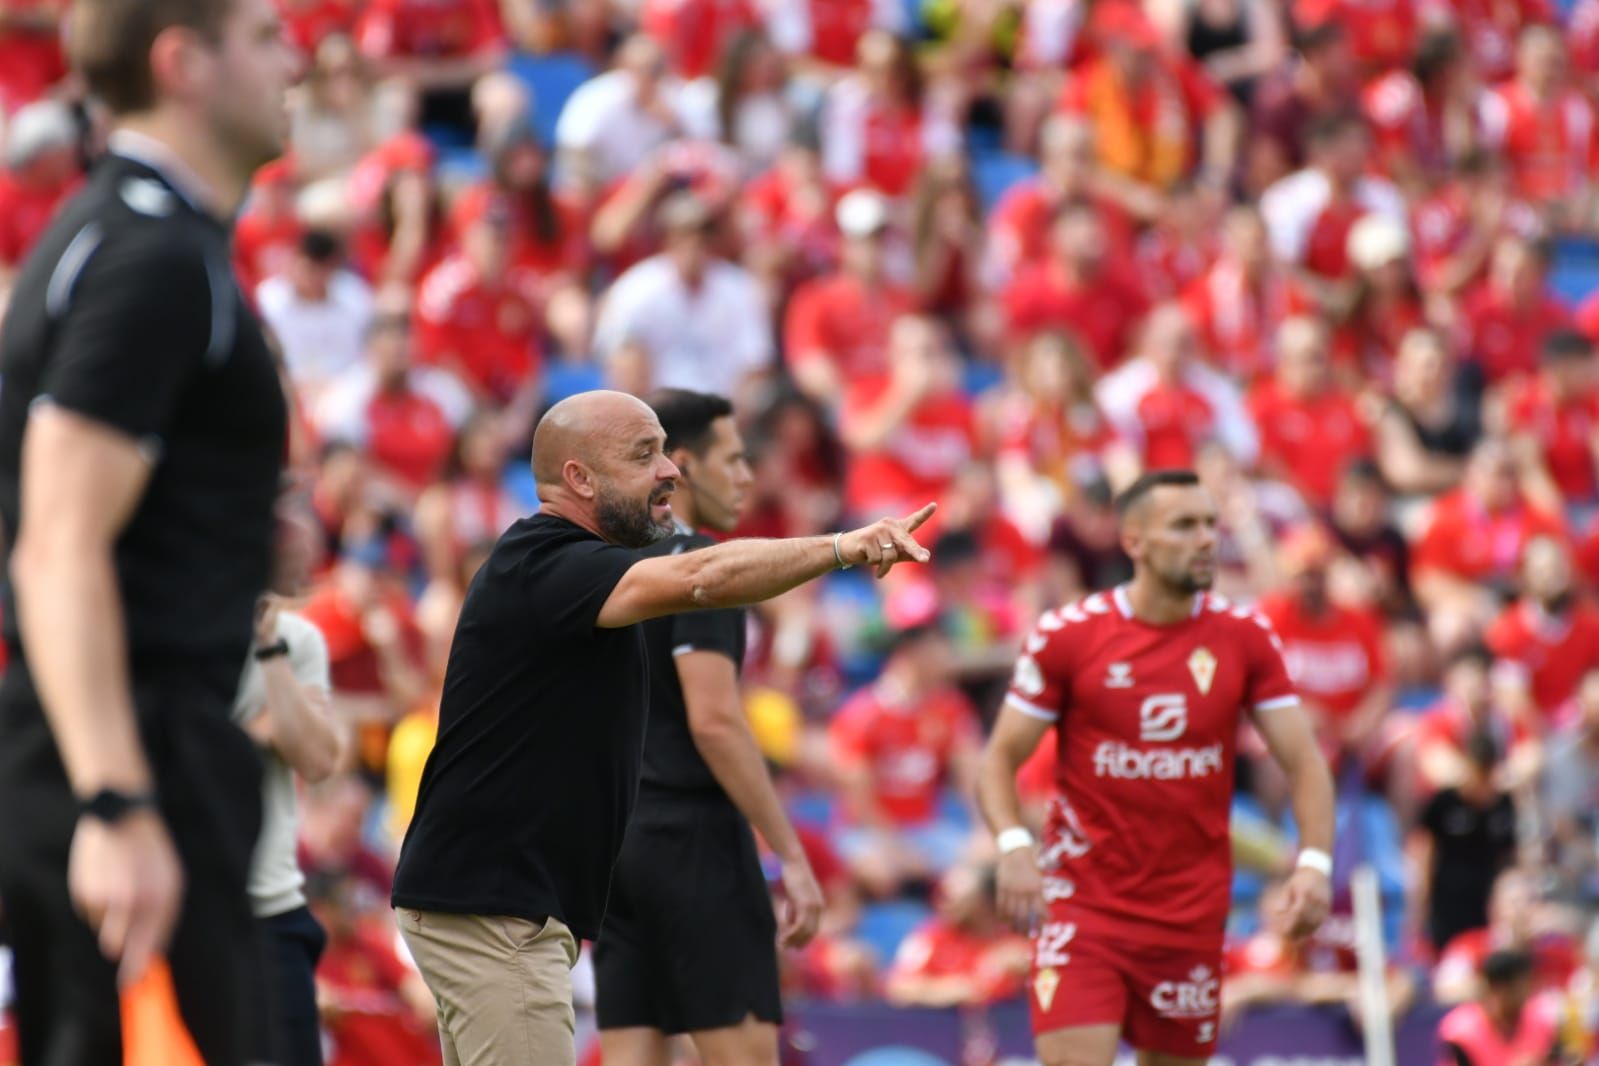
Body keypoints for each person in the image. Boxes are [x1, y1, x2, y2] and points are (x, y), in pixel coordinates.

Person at [390, 389, 937, 1066]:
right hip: (499, 908)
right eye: (643, 455)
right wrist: (841, 547)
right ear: (579, 479)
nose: (670, 472)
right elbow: (704, 587)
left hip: (511, 899)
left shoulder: (568, 568)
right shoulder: (546, 560)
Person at [0, 0, 295, 1061]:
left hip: (151, 756)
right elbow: (56, 540)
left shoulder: (151, 240)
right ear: (183, 62)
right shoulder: (149, 255)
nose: (295, 55)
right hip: (132, 768)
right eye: (265, 36)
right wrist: (116, 802)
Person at [976, 469, 1335, 1066]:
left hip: (1189, 914)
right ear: (1134, 541)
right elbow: (998, 760)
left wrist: (1314, 864)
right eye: (1184, 526)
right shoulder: (1070, 636)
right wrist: (1014, 846)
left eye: (1209, 525)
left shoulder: (1245, 638)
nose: (1205, 539)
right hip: (1083, 904)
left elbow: (1304, 761)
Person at [594, 388, 826, 1066]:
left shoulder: (610, 569)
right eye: (733, 459)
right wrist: (791, 853)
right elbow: (716, 721)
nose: (747, 476)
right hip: (694, 844)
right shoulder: (707, 570)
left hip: (617, 848)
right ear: (684, 465)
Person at [234, 586, 345, 1066]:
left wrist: (268, 647)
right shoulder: (167, 622)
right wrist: (254, 729)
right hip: (184, 909)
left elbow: (318, 757)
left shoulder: (297, 639)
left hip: (272, 908)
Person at [1436, 949, 1568, 1065]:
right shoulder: (1460, 1031)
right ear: (1499, 988)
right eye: (1522, 986)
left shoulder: (1542, 1021)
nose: (1529, 992)